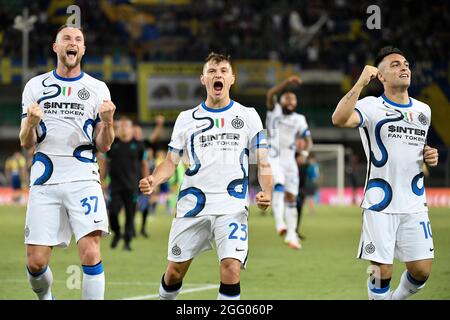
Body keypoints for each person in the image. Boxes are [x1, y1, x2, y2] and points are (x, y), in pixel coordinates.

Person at [139, 52, 272, 300]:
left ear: (232, 78)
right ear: (203, 79)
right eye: (212, 71)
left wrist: (267, 191)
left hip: (232, 206)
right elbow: (171, 161)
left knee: (231, 268)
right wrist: (154, 179)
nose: (217, 75)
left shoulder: (248, 115)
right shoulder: (186, 119)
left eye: (223, 70)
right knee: (175, 272)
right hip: (192, 205)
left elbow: (263, 161)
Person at [332, 46, 439, 300]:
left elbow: (416, 148)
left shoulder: (423, 111)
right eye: (394, 65)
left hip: (414, 203)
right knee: (382, 271)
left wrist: (429, 154)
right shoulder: (370, 106)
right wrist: (360, 82)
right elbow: (339, 118)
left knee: (422, 270)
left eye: (406, 63)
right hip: (380, 203)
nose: (404, 67)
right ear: (380, 76)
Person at [20, 25, 116, 300]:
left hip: (83, 177)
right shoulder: (35, 86)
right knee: (36, 263)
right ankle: (45, 296)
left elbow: (104, 144)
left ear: (83, 49)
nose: (72, 43)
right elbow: (26, 141)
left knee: (90, 250)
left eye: (78, 40)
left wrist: (108, 122)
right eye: (66, 39)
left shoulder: (97, 88)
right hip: (45, 179)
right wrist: (32, 124)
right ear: (55, 47)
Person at [266, 75, 313, 249]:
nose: (290, 100)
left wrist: (305, 153)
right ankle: (280, 224)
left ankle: (292, 235)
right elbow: (271, 93)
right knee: (278, 184)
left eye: (293, 98)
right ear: (282, 101)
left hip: (289, 160)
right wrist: (286, 83)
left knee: (291, 197)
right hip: (273, 155)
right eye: (287, 97)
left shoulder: (299, 119)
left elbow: (308, 139)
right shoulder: (274, 111)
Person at [101, 117, 148, 251]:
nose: (123, 129)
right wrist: (102, 179)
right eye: (121, 126)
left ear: (131, 129)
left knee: (130, 215)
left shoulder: (139, 145)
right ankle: (117, 233)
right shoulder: (112, 144)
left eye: (126, 126)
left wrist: (147, 179)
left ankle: (127, 241)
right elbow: (105, 163)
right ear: (117, 129)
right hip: (115, 186)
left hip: (132, 187)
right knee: (113, 212)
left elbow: (144, 164)